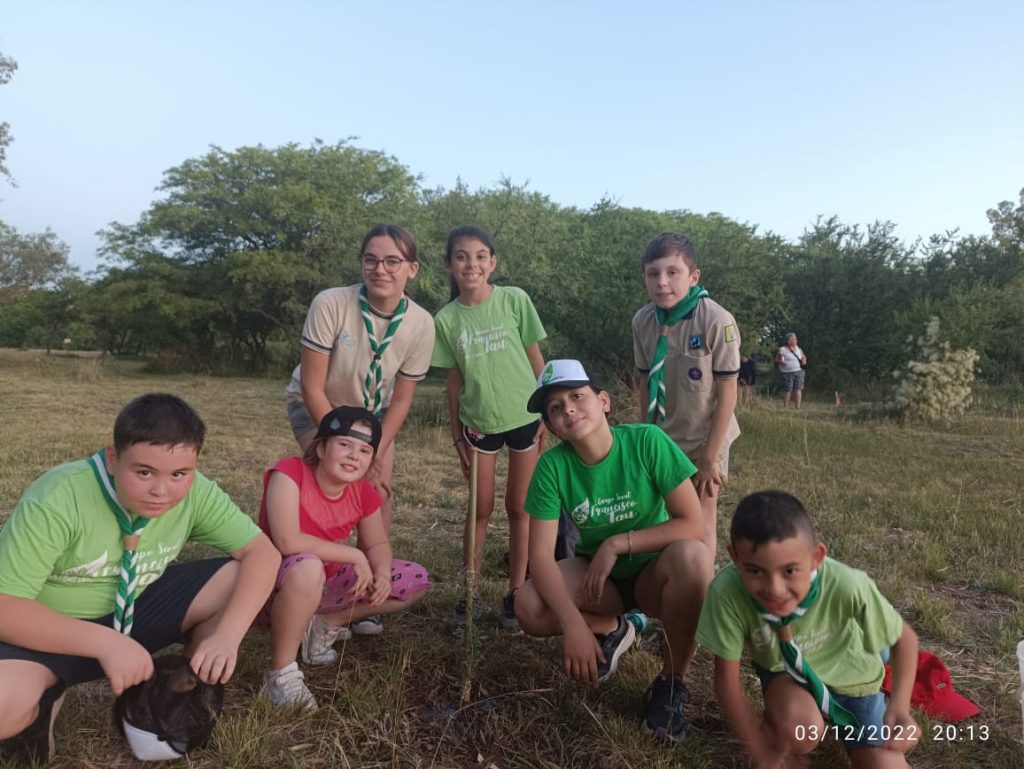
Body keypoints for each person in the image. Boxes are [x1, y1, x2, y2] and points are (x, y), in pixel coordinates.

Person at [0, 394, 281, 764]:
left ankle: (177, 695)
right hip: (49, 629)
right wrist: (105, 643)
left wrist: (228, 635)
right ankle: (43, 698)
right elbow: (7, 609)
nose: (161, 491)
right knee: (5, 704)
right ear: (114, 459)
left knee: (237, 579)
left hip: (137, 607)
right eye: (144, 472)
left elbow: (263, 553)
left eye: (179, 474)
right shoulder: (59, 497)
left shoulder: (195, 493)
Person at [514, 360, 711, 743]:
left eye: (577, 396)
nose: (568, 409)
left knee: (695, 557)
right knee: (529, 606)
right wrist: (572, 623)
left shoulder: (646, 441)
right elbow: (539, 558)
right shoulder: (552, 467)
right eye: (555, 407)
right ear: (551, 427)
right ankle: (614, 628)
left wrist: (617, 543)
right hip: (600, 582)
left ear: (603, 401)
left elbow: (693, 523)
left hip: (656, 572)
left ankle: (671, 684)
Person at [696, 491, 920, 769]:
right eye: (755, 571)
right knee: (800, 729)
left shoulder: (847, 584)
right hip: (785, 673)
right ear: (735, 556)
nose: (774, 589)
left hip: (855, 677)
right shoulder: (727, 592)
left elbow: (905, 639)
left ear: (816, 557)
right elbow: (726, 684)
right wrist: (759, 747)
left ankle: (876, 650)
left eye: (789, 571)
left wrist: (899, 708)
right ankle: (777, 729)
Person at [286, 223, 434, 635]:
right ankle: (307, 582)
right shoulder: (331, 303)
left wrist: (376, 452)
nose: (380, 269)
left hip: (375, 419)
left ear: (412, 269)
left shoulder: (421, 324)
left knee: (376, 496)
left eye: (392, 261)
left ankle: (360, 598)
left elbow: (401, 400)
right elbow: (313, 387)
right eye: (371, 259)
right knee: (336, 485)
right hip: (318, 408)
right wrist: (347, 447)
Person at [257, 406, 430, 711]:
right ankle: (281, 674)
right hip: (272, 585)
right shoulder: (289, 473)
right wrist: (353, 554)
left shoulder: (362, 492)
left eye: (365, 450)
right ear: (321, 447)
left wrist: (381, 574)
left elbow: (376, 542)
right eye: (345, 444)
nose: (354, 455)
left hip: (327, 582)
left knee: (414, 580)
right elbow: (287, 541)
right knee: (308, 566)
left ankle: (326, 622)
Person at [431, 225, 546, 631]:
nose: (471, 264)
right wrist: (456, 433)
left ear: (492, 262)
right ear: (449, 264)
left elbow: (536, 358)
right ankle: (470, 591)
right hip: (479, 424)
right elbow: (454, 380)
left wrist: (547, 408)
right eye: (461, 256)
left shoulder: (515, 300)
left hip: (525, 420)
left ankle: (515, 593)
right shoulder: (445, 320)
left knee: (520, 509)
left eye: (480, 256)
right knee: (479, 508)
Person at [632, 232, 741, 566]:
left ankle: (701, 595)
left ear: (693, 277)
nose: (662, 283)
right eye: (653, 274)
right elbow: (643, 381)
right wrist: (645, 436)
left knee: (701, 520)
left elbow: (727, 394)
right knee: (663, 518)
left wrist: (710, 455)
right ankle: (667, 588)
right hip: (663, 438)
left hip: (704, 441)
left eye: (672, 272)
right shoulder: (643, 321)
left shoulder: (716, 320)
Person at [775, 333, 807, 409]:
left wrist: (804, 361)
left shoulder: (799, 349)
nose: (796, 340)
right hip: (787, 372)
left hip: (798, 371)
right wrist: (781, 362)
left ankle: (797, 407)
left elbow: (804, 357)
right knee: (788, 389)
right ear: (789, 341)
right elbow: (776, 360)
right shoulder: (782, 349)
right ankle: (785, 406)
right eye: (793, 339)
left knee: (798, 389)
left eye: (795, 339)